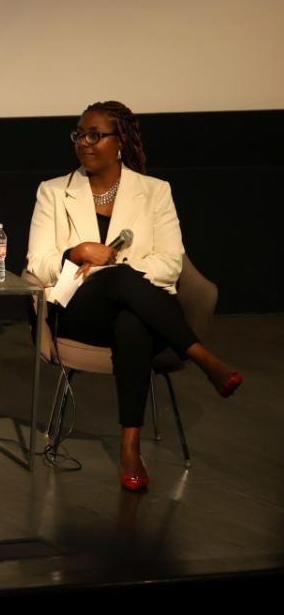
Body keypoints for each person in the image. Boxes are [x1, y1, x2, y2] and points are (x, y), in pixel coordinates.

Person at [26, 101, 242, 491]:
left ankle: (130, 445)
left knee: (130, 314)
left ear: (120, 142)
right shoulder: (54, 192)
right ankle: (202, 357)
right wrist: (74, 254)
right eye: (79, 134)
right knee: (117, 283)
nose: (84, 143)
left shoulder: (155, 192)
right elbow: (38, 263)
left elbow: (171, 263)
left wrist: (116, 271)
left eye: (96, 135)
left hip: (141, 310)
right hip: (78, 309)